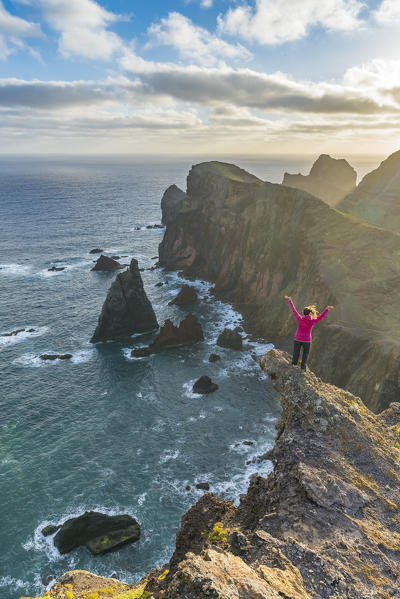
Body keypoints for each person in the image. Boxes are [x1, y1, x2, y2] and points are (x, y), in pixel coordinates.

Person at [284, 296, 334, 371]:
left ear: (303, 313)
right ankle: (303, 367)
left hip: (297, 338)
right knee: (305, 353)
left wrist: (290, 301)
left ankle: (294, 363)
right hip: (307, 340)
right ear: (310, 313)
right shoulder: (312, 321)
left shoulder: (299, 318)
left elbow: (294, 310)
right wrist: (326, 310)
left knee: (296, 352)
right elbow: (320, 317)